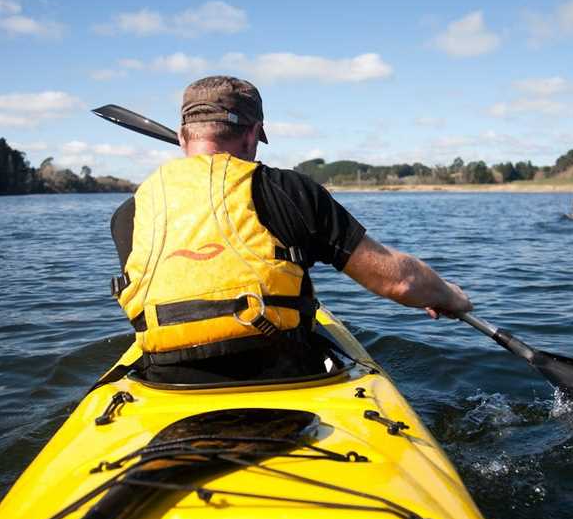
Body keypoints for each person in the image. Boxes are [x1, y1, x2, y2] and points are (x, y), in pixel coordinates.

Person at [109, 75, 472, 384]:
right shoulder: (289, 191)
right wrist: (447, 295)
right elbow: (399, 280)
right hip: (281, 373)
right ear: (252, 135)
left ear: (182, 135)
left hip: (166, 380)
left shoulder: (130, 212)